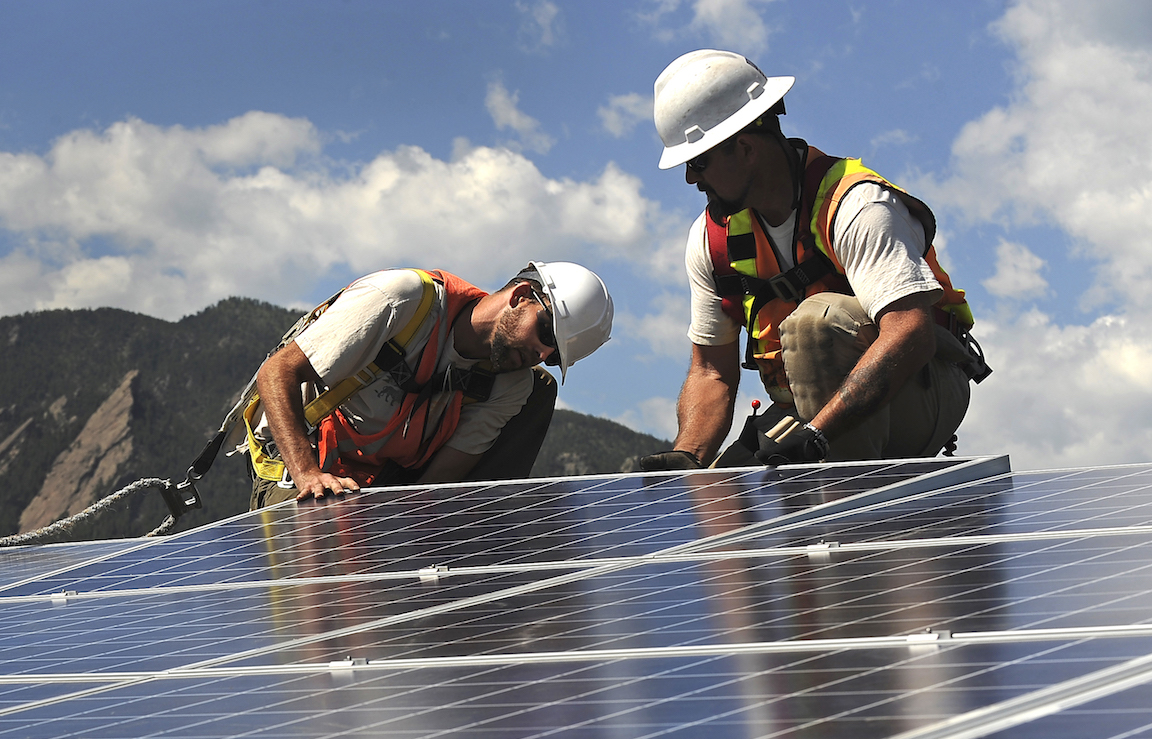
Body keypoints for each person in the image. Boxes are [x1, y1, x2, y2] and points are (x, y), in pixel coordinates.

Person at [636, 50, 990, 471]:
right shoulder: (712, 241)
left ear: (745, 147)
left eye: (698, 162)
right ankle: (813, 490)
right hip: (805, 406)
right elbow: (712, 372)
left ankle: (841, 516)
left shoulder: (855, 205)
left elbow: (911, 334)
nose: (692, 179)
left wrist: (816, 436)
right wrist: (688, 456)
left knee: (814, 323)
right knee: (725, 501)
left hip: (921, 385)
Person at [244, 262, 613, 508]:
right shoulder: (401, 300)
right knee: (323, 537)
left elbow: (435, 485)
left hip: (379, 478)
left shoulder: (512, 385)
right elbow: (276, 372)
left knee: (539, 389)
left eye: (553, 355)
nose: (541, 352)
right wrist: (307, 473)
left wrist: (410, 532)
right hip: (301, 459)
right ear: (519, 297)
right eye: (546, 332)